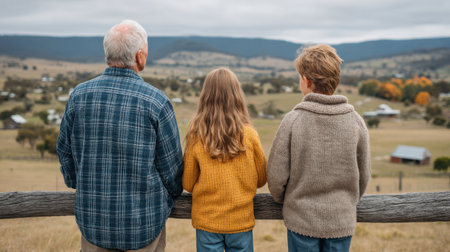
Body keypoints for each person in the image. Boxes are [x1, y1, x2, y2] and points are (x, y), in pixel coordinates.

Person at [57, 20, 183, 251]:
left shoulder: (79, 96)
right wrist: (169, 196)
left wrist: (78, 183)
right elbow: (172, 169)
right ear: (140, 56)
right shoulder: (156, 102)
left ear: (108, 55)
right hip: (143, 223)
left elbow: (64, 150)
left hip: (93, 220)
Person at [267, 44, 371, 252]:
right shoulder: (356, 122)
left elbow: (276, 176)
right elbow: (364, 176)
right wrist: (347, 201)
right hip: (342, 221)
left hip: (301, 220)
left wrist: (284, 200)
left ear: (306, 80)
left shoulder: (292, 120)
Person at [182, 67, 267, 252]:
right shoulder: (250, 135)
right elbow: (261, 179)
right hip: (241, 221)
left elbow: (187, 183)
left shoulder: (196, 136)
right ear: (237, 96)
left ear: (205, 96)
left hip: (207, 222)